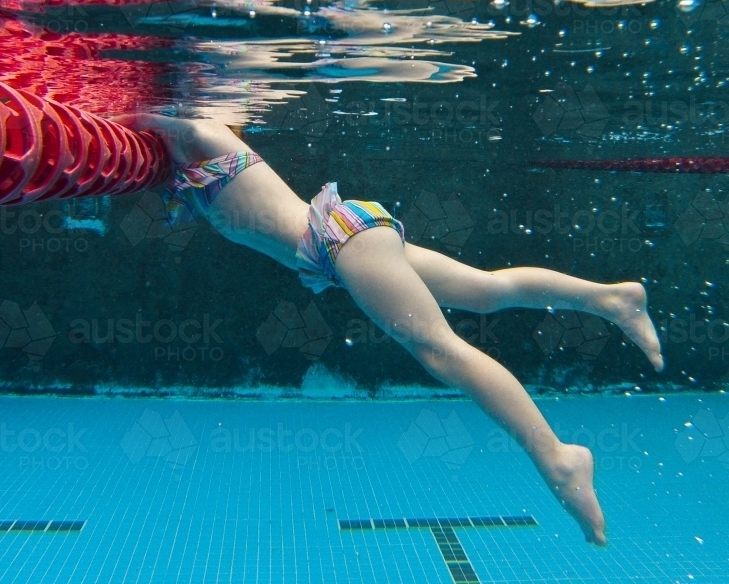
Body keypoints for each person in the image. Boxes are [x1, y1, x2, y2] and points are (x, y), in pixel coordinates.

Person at [118, 114, 665, 546]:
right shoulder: (189, 161)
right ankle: (613, 299)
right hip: (345, 243)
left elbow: (175, 123)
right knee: (485, 290)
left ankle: (556, 456)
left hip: (338, 241)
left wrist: (114, 113)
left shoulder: (202, 130)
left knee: (440, 351)